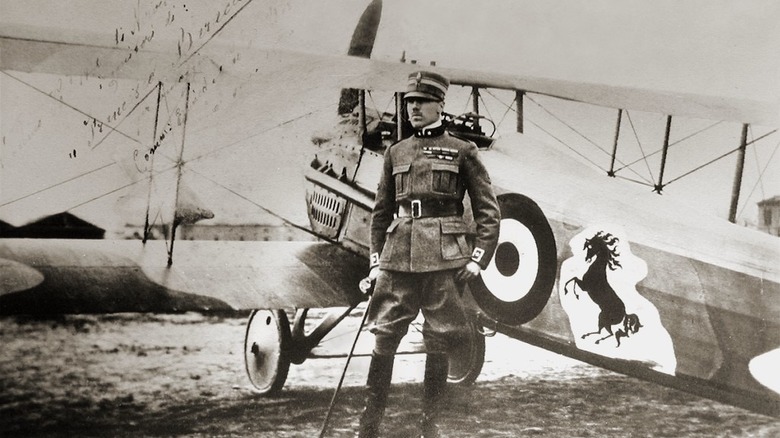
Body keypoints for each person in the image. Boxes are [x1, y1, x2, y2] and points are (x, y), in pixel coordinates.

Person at [358, 71, 501, 438]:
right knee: (384, 336)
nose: (413, 108)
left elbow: (488, 210)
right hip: (398, 258)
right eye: (409, 102)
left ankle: (429, 427)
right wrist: (376, 262)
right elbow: (381, 212)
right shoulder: (396, 152)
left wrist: (477, 258)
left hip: (444, 260)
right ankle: (368, 426)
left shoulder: (462, 150)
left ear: (440, 104)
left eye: (421, 101)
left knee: (440, 337)